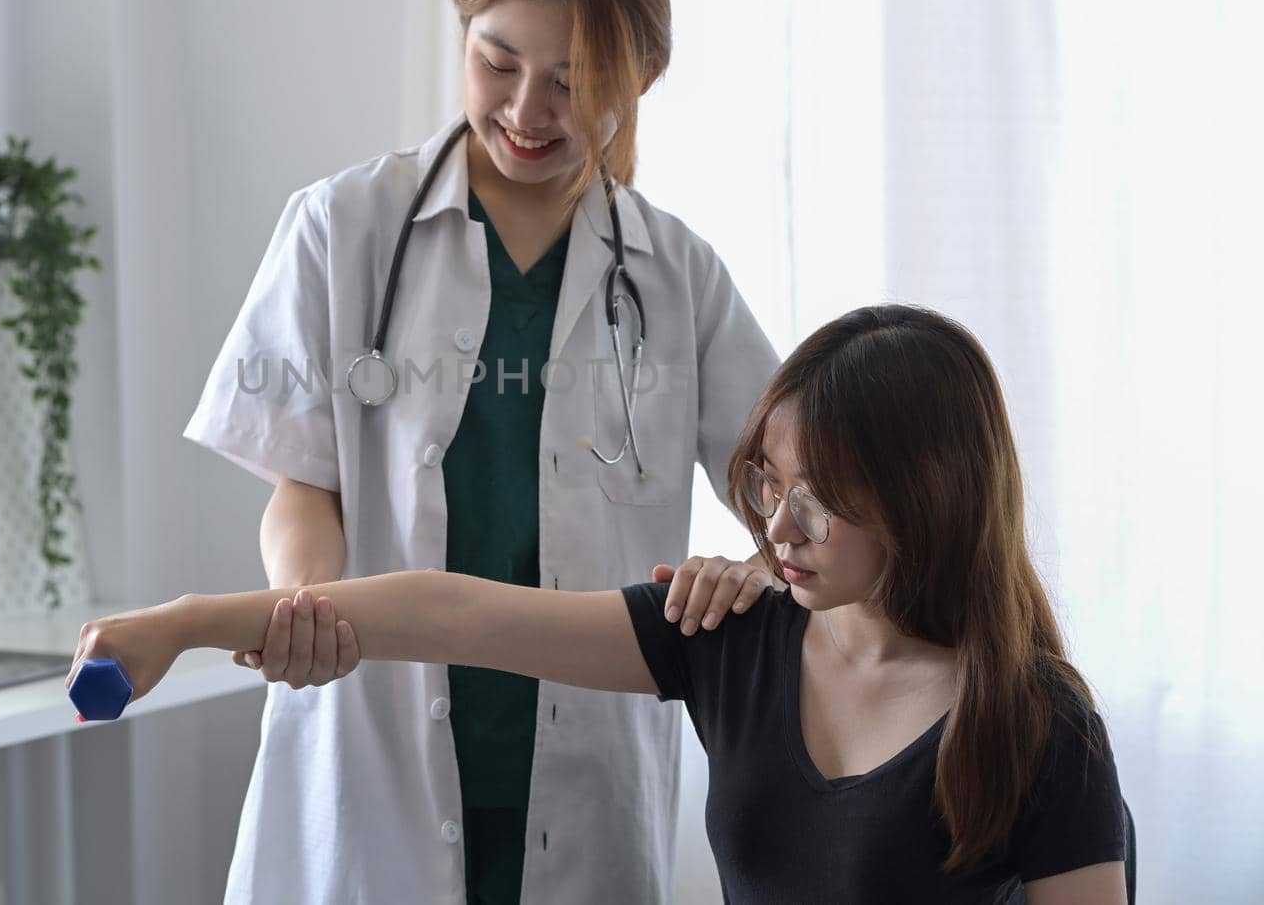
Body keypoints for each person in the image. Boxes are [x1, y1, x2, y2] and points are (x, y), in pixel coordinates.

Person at [81, 305, 1130, 903]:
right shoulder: (730, 637)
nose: (780, 526)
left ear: (930, 497)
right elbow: (453, 613)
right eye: (769, 479)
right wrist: (181, 623)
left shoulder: (1038, 724)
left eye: (830, 502)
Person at [182, 0, 779, 904]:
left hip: (589, 777)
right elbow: (303, 485)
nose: (524, 110)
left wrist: (755, 572)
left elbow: (802, 500)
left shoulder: (676, 276)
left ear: (641, 78)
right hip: (372, 760)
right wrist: (306, 603)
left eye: (571, 80)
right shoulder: (344, 227)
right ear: (464, 29)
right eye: (496, 62)